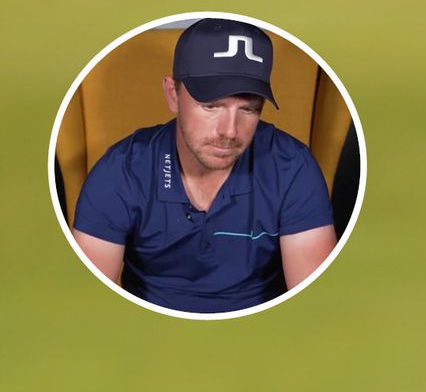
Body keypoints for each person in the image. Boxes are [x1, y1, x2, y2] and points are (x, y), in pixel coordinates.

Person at [72, 18, 337, 314]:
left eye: (248, 109)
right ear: (173, 94)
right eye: (211, 106)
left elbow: (315, 308)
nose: (230, 131)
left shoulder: (292, 167)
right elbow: (86, 308)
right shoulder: (121, 171)